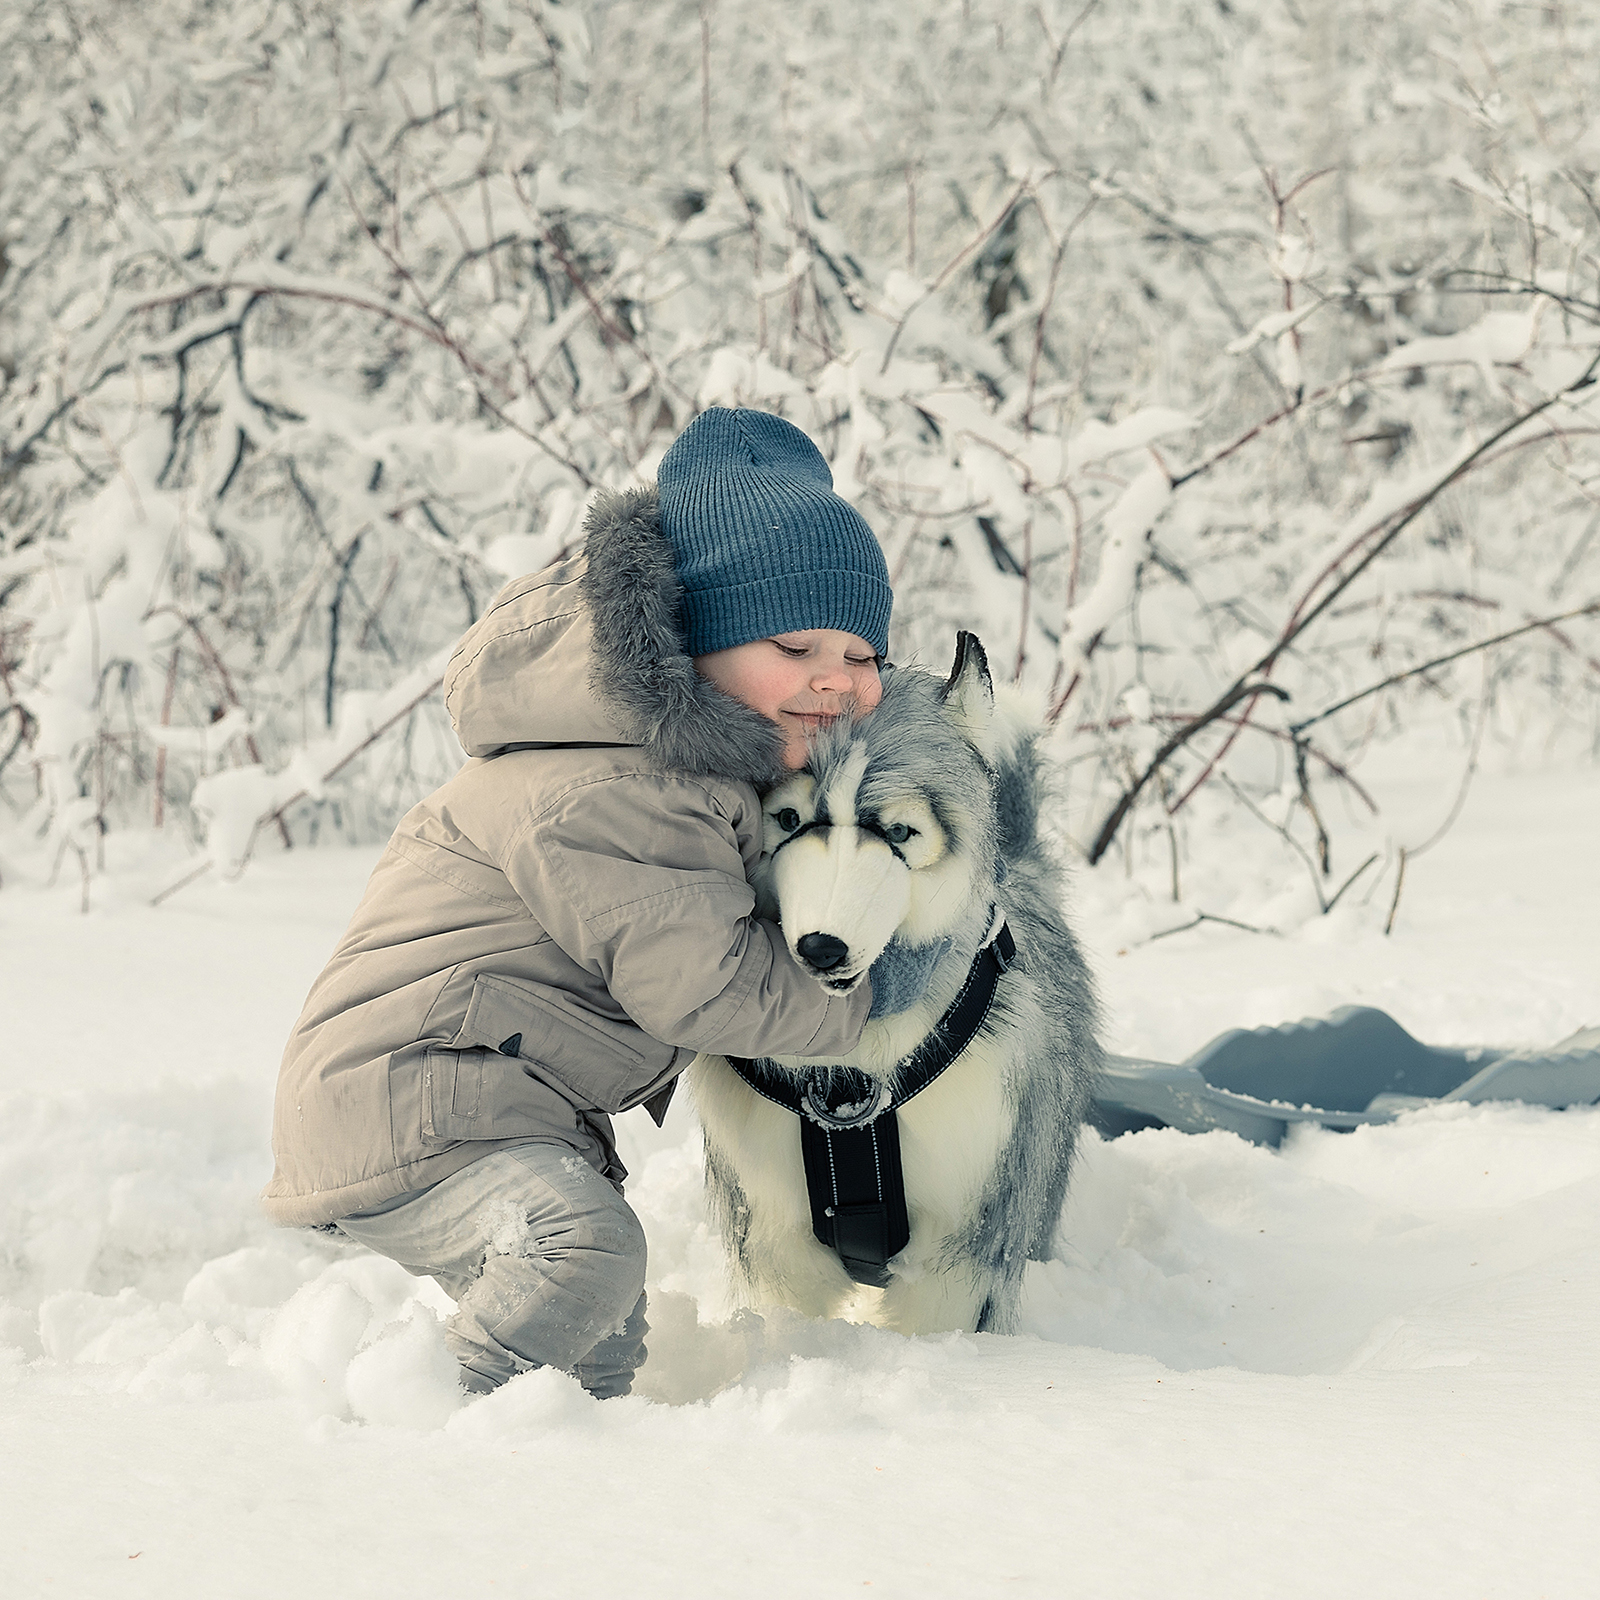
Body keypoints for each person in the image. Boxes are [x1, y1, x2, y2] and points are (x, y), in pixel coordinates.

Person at [262, 407, 922, 1398]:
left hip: (484, 1097)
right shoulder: (621, 791)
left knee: (598, 1338)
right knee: (581, 1254)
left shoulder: (673, 774)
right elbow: (698, 986)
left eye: (863, 655)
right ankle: (417, 1429)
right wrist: (869, 995)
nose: (835, 678)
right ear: (693, 646)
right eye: (792, 645)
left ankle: (559, 1489)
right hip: (419, 1095)